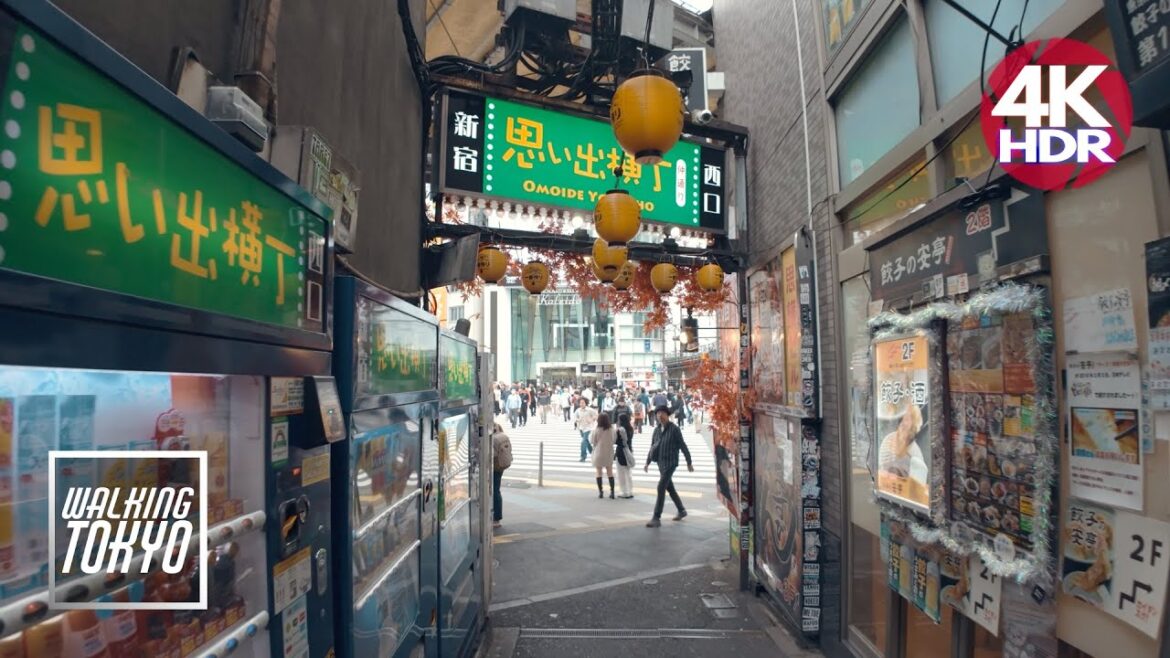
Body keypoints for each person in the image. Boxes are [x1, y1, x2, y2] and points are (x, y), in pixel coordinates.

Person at [645, 405, 693, 527]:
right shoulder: (656, 430)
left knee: (661, 487)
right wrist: (647, 462)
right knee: (669, 488)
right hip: (660, 463)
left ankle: (656, 517)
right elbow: (652, 447)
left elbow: (682, 445)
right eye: (658, 413)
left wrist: (689, 462)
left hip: (671, 463)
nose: (660, 415)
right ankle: (681, 510)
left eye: (662, 413)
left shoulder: (674, 429)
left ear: (667, 415)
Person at [590, 413, 617, 499]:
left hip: (598, 453)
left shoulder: (597, 430)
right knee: (610, 472)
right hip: (608, 453)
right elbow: (614, 440)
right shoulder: (611, 429)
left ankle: (601, 492)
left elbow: (592, 441)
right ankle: (612, 492)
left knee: (599, 472)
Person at [491, 422, 512, 528]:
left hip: (494, 466)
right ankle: (496, 517)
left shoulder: (493, 437)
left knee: (494, 491)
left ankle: (496, 518)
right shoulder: (501, 432)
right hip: (501, 465)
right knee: (496, 490)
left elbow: (492, 454)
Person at [615, 413, 636, 498]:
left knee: (621, 473)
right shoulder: (630, 428)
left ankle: (624, 491)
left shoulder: (620, 430)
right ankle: (630, 491)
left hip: (621, 452)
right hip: (629, 450)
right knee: (628, 472)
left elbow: (616, 441)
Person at [574, 398, 598, 462]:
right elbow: (575, 417)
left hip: (589, 428)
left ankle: (583, 456)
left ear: (586, 403)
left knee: (583, 442)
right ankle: (594, 454)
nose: (581, 404)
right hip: (581, 428)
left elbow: (596, 415)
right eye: (580, 403)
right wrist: (577, 420)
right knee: (587, 442)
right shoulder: (578, 410)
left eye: (583, 403)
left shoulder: (590, 410)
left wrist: (592, 419)